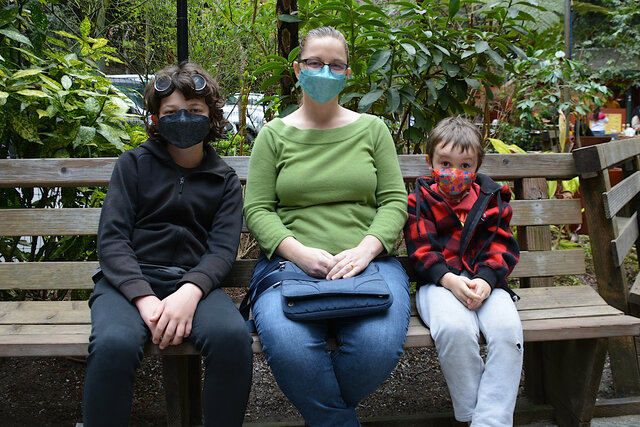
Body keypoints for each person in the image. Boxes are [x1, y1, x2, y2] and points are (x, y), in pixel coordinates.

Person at [243, 26, 410, 426]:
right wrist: (297, 251)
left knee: (377, 346)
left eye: (336, 65)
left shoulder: (373, 130)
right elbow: (258, 209)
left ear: (348, 73)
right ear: (298, 69)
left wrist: (365, 250)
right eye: (315, 63)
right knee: (292, 349)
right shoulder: (273, 135)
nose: (325, 72)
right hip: (289, 268)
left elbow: (394, 201)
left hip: (369, 266)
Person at [83, 62, 253, 427]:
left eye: (194, 112)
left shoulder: (223, 179)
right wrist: (144, 298)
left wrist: (188, 293)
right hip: (126, 285)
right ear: (155, 120)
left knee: (232, 339)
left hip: (195, 286)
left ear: (212, 119)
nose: (183, 120)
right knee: (114, 344)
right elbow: (113, 240)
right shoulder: (132, 165)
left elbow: (222, 249)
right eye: (172, 113)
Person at [404, 116, 522, 426]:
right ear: (430, 162)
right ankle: (474, 415)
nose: (454, 172)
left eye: (465, 165)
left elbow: (504, 246)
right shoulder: (419, 202)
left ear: (477, 166)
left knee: (508, 332)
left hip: (487, 284)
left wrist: (486, 279)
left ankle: (491, 421)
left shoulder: (493, 199)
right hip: (438, 285)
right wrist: (447, 278)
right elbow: (421, 251)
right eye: (445, 162)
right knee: (455, 329)